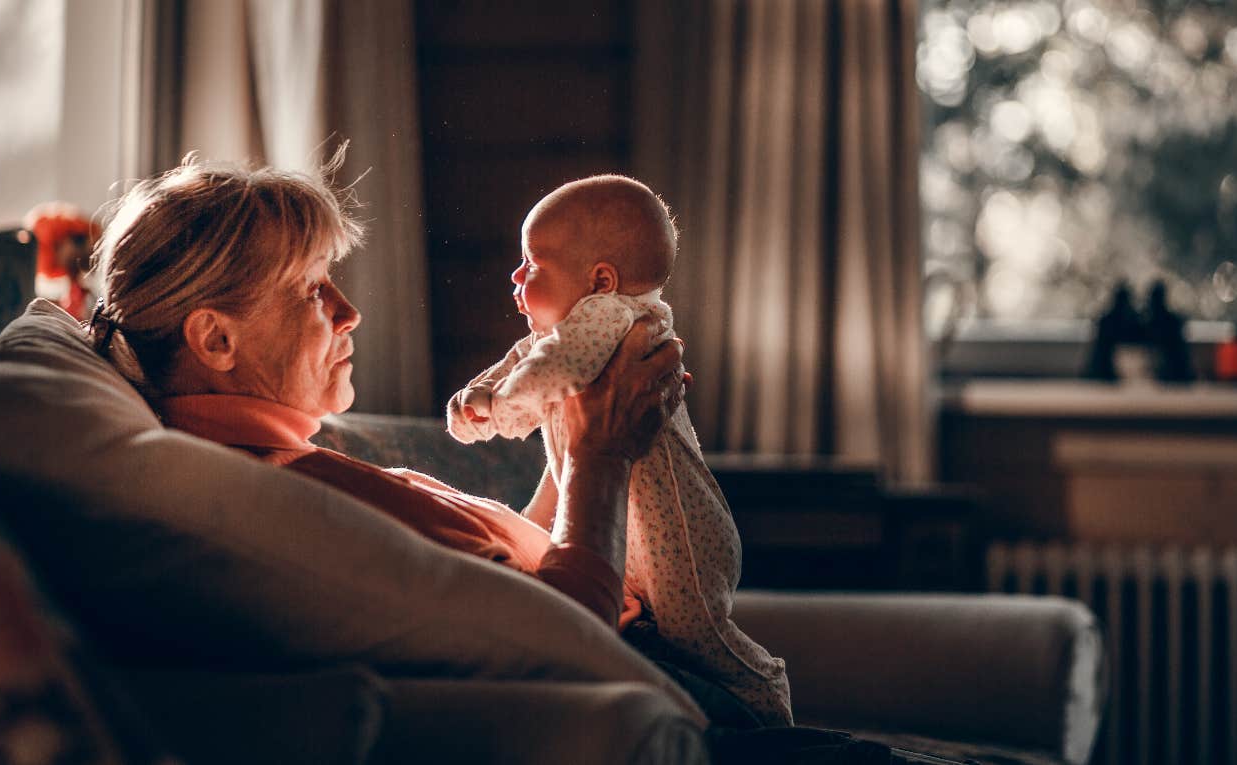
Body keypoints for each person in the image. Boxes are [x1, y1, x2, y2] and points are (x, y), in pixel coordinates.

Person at [86, 153, 684, 636]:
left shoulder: (289, 467)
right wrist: (600, 458)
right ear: (217, 339)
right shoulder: (286, 507)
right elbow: (569, 638)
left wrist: (577, 434)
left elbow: (518, 576)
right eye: (311, 289)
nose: (348, 312)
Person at [446, 175, 792, 727]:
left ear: (601, 282)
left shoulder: (612, 320)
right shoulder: (566, 333)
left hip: (680, 533)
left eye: (531, 264)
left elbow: (549, 372)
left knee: (697, 632)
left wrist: (501, 411)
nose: (514, 276)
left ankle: (765, 693)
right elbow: (523, 361)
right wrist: (477, 398)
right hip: (628, 541)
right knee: (661, 632)